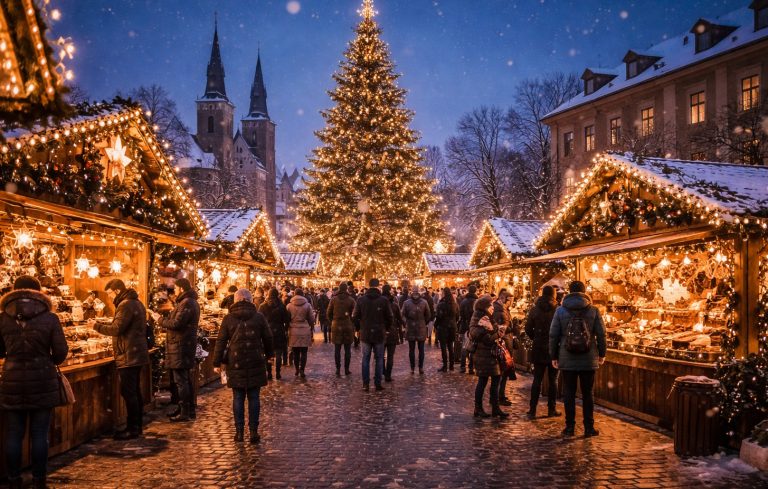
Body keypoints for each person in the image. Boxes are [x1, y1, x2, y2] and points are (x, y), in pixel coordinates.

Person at [0, 276, 68, 489]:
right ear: (39, 292)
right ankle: (39, 480)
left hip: (11, 379)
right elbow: (60, 352)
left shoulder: (3, 318)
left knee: (14, 433)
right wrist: (46, 360)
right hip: (42, 381)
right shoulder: (50, 318)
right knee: (40, 434)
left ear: (14, 291)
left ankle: (13, 479)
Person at [213, 289, 273, 444]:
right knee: (254, 397)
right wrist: (270, 355)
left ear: (236, 300)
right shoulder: (258, 317)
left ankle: (239, 432)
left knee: (238, 397)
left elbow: (220, 341)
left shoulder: (228, 318)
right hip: (256, 360)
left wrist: (216, 362)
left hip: (235, 360)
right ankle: (253, 432)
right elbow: (268, 337)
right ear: (250, 300)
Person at [549, 280, 606, 437]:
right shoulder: (593, 310)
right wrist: (602, 353)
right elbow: (601, 334)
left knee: (569, 393)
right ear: (584, 291)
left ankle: (570, 427)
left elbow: (553, 335)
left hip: (567, 357)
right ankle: (589, 427)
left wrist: (553, 356)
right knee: (588, 393)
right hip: (588, 358)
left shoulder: (560, 311)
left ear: (569, 292)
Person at [96, 279, 150, 439]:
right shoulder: (136, 302)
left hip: (128, 354)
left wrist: (96, 326)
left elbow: (116, 329)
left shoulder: (125, 305)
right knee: (134, 391)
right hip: (135, 353)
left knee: (129, 392)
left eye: (110, 293)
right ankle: (137, 426)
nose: (109, 297)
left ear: (117, 291)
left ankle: (133, 428)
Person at [162, 278, 200, 422]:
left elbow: (177, 323)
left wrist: (160, 320)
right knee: (184, 379)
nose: (175, 290)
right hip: (183, 345)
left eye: (176, 288)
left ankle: (185, 412)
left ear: (182, 289)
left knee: (181, 380)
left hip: (180, 345)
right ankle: (187, 409)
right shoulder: (188, 302)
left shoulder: (187, 303)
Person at [525, 285, 561, 419]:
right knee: (553, 380)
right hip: (554, 349)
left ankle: (532, 409)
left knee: (537, 380)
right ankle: (551, 409)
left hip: (539, 348)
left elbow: (528, 328)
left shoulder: (535, 309)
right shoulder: (558, 310)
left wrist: (537, 338)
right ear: (553, 295)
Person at [469, 294, 508, 418]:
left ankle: (495, 408)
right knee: (483, 381)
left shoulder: (488, 317)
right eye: (490, 305)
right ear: (484, 306)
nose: (492, 307)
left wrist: (497, 331)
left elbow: (492, 331)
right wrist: (498, 334)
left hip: (491, 355)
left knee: (496, 380)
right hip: (483, 355)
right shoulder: (479, 319)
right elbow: (485, 338)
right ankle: (478, 408)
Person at [352, 279, 393, 391]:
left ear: (368, 285)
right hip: (380, 332)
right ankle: (377, 383)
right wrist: (387, 329)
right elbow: (390, 317)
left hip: (365, 332)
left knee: (365, 358)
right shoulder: (383, 300)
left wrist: (358, 328)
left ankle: (366, 384)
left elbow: (355, 316)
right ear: (378, 286)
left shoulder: (361, 300)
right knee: (379, 358)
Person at [259, 287, 291, 380]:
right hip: (279, 332)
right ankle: (277, 373)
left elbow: (259, 320)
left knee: (268, 354)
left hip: (266, 333)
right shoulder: (281, 306)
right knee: (278, 353)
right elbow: (287, 319)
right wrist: (284, 328)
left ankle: (269, 373)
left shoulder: (262, 306)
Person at [327, 282, 356, 376]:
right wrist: (350, 320)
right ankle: (346, 369)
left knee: (337, 349)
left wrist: (333, 320)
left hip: (336, 325)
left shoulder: (333, 299)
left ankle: (338, 369)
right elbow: (355, 313)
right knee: (347, 349)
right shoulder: (351, 300)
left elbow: (329, 313)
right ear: (346, 289)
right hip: (347, 325)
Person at [287, 288, 315, 378]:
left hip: (293, 329)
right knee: (304, 352)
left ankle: (296, 370)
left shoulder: (289, 306)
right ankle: (302, 369)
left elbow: (286, 318)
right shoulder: (307, 305)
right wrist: (311, 326)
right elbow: (311, 318)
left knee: (295, 352)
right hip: (304, 329)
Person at [401, 288, 430, 374]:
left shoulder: (407, 303)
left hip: (412, 327)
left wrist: (406, 322)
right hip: (418, 327)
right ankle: (419, 367)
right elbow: (428, 315)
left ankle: (413, 368)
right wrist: (424, 322)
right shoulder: (424, 302)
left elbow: (402, 315)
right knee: (419, 350)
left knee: (413, 349)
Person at [381, 284, 403, 382]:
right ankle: (388, 375)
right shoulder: (394, 304)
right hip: (392, 331)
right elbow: (399, 318)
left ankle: (382, 371)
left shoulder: (379, 303)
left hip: (381, 332)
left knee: (380, 355)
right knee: (390, 355)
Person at [434, 287, 459, 372]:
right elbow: (457, 316)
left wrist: (436, 324)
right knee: (450, 346)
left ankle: (445, 366)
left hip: (443, 327)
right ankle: (451, 366)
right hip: (452, 327)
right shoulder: (454, 304)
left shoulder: (441, 304)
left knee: (444, 347)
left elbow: (438, 317)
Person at [458, 285, 478, 374]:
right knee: (473, 347)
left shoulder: (463, 301)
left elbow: (460, 314)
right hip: (474, 327)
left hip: (464, 326)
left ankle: (462, 367)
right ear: (475, 291)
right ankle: (471, 367)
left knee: (464, 347)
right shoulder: (477, 302)